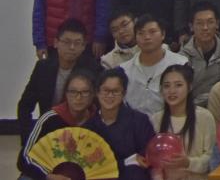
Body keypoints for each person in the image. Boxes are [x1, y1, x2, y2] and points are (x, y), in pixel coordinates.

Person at [17, 19, 98, 147]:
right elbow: (25, 106)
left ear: (83, 46)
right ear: (56, 43)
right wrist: (29, 138)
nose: (72, 47)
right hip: (49, 131)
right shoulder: (43, 68)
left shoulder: (93, 69)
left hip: (81, 134)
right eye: (67, 42)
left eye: (77, 43)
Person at [18, 68, 97, 179]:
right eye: (73, 92)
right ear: (66, 94)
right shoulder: (50, 119)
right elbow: (24, 159)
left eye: (85, 92)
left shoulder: (97, 120)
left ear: (93, 94)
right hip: (47, 174)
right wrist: (48, 176)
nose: (78, 97)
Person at [88, 68, 155, 180]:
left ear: (124, 93)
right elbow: (90, 166)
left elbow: (147, 158)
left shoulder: (140, 121)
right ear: (97, 92)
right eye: (105, 90)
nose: (110, 95)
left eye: (115, 91)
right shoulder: (88, 128)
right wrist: (126, 161)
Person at [151, 64, 216, 179]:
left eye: (178, 85)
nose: (172, 91)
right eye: (167, 86)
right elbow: (154, 163)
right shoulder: (156, 119)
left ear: (189, 87)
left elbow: (212, 157)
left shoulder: (204, 117)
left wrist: (188, 162)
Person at [119, 15, 187, 114]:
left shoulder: (180, 63)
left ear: (163, 34)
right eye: (141, 33)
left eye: (152, 32)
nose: (147, 37)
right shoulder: (124, 70)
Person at [178, 1, 220, 107]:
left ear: (217, 24)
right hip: (192, 108)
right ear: (191, 26)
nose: (205, 28)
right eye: (199, 23)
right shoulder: (181, 57)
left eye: (210, 22)